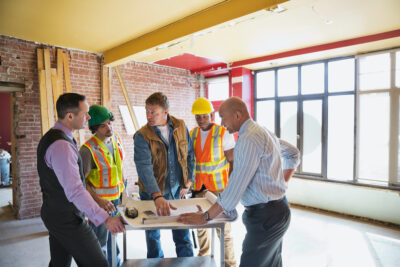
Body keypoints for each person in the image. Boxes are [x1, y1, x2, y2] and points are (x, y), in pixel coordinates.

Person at [178, 97, 300, 267]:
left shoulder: (248, 139)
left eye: (223, 117)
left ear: (237, 115)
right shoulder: (261, 131)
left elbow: (236, 186)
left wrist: (205, 217)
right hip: (276, 211)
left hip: (265, 217)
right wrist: (281, 185)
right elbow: (293, 154)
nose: (221, 122)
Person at [37, 93, 125, 267]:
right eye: (85, 113)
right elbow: (76, 190)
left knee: (59, 263)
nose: (89, 117)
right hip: (66, 218)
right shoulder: (62, 146)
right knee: (98, 263)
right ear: (70, 116)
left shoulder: (54, 137)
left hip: (54, 212)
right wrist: (105, 218)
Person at [133, 92, 194, 258]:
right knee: (153, 237)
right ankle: (155, 262)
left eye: (154, 112)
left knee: (183, 234)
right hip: (151, 194)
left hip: (176, 190)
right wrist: (157, 195)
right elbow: (144, 168)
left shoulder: (181, 126)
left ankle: (187, 262)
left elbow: (189, 154)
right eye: (147, 111)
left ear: (165, 112)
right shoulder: (142, 135)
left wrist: (188, 182)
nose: (149, 116)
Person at [190, 97, 236, 267]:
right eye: (198, 117)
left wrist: (232, 187)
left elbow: (233, 162)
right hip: (198, 188)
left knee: (223, 229)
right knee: (200, 226)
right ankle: (203, 259)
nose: (201, 120)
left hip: (218, 189)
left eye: (204, 116)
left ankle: (230, 264)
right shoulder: (192, 134)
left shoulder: (224, 133)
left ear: (211, 115)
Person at [80, 105, 126, 267]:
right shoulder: (87, 150)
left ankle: (116, 264)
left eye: (109, 123)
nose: (108, 128)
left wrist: (124, 195)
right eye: (103, 125)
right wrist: (98, 201)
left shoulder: (116, 140)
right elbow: (81, 183)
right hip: (100, 204)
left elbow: (119, 170)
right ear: (94, 128)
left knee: (114, 237)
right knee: (100, 243)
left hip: (117, 201)